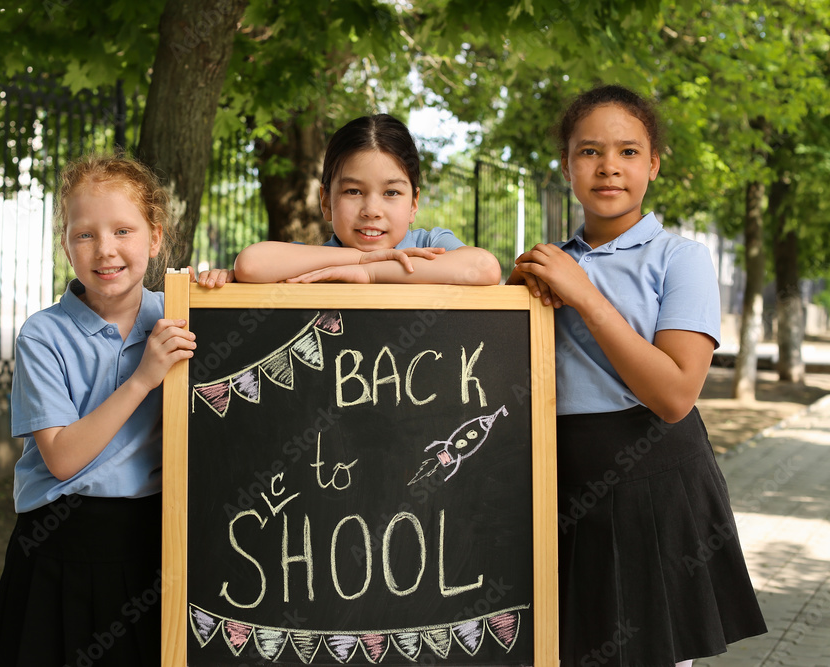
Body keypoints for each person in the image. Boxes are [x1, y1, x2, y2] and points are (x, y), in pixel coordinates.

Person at [508, 85, 766, 666]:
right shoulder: (543, 266)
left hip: (655, 480)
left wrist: (585, 294)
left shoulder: (681, 258)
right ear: (568, 164)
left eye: (627, 152)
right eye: (589, 151)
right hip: (557, 486)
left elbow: (675, 395)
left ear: (652, 164)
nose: (608, 167)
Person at [0, 154, 203, 666]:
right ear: (66, 245)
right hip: (60, 549)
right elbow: (61, 458)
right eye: (85, 235)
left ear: (154, 238)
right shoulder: (44, 334)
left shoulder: (180, 318)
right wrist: (143, 377)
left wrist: (217, 291)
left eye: (123, 230)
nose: (105, 250)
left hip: (154, 543)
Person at [228, 113, 501, 286]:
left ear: (414, 204)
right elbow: (251, 264)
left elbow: (485, 268)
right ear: (325, 202)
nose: (371, 210)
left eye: (391, 193)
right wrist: (357, 260)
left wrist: (371, 273)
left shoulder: (431, 246)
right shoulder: (315, 260)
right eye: (353, 191)